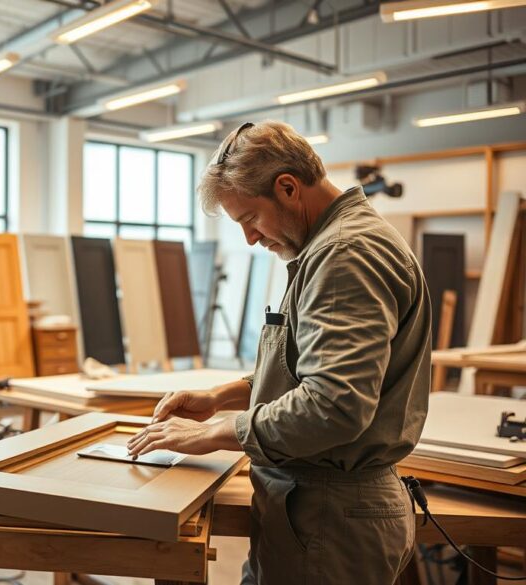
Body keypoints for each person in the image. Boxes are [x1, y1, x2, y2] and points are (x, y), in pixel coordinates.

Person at [127, 120, 431, 584]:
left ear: (288, 188)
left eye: (250, 220)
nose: (250, 238)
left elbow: (333, 406)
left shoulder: (346, 254)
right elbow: (304, 371)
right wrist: (220, 396)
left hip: (329, 519)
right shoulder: (325, 249)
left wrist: (215, 432)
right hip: (310, 513)